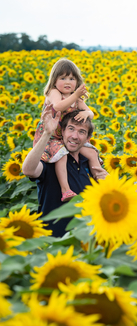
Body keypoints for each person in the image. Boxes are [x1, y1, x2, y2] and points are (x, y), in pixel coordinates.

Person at [22, 108, 108, 237]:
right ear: (62, 131)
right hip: (53, 241)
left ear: (87, 138)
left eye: (81, 132)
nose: (74, 136)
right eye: (71, 129)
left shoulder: (90, 163)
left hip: (85, 239)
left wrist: (108, 181)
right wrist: (46, 133)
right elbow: (28, 170)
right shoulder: (52, 161)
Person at [33, 58, 102, 202]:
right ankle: (66, 189)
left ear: (77, 81)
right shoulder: (54, 93)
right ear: (54, 80)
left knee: (91, 152)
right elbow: (58, 106)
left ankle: (100, 179)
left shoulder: (76, 99)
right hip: (51, 137)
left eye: (71, 78)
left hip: (69, 137)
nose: (67, 82)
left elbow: (91, 113)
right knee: (62, 154)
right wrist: (76, 96)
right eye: (63, 78)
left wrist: (85, 113)